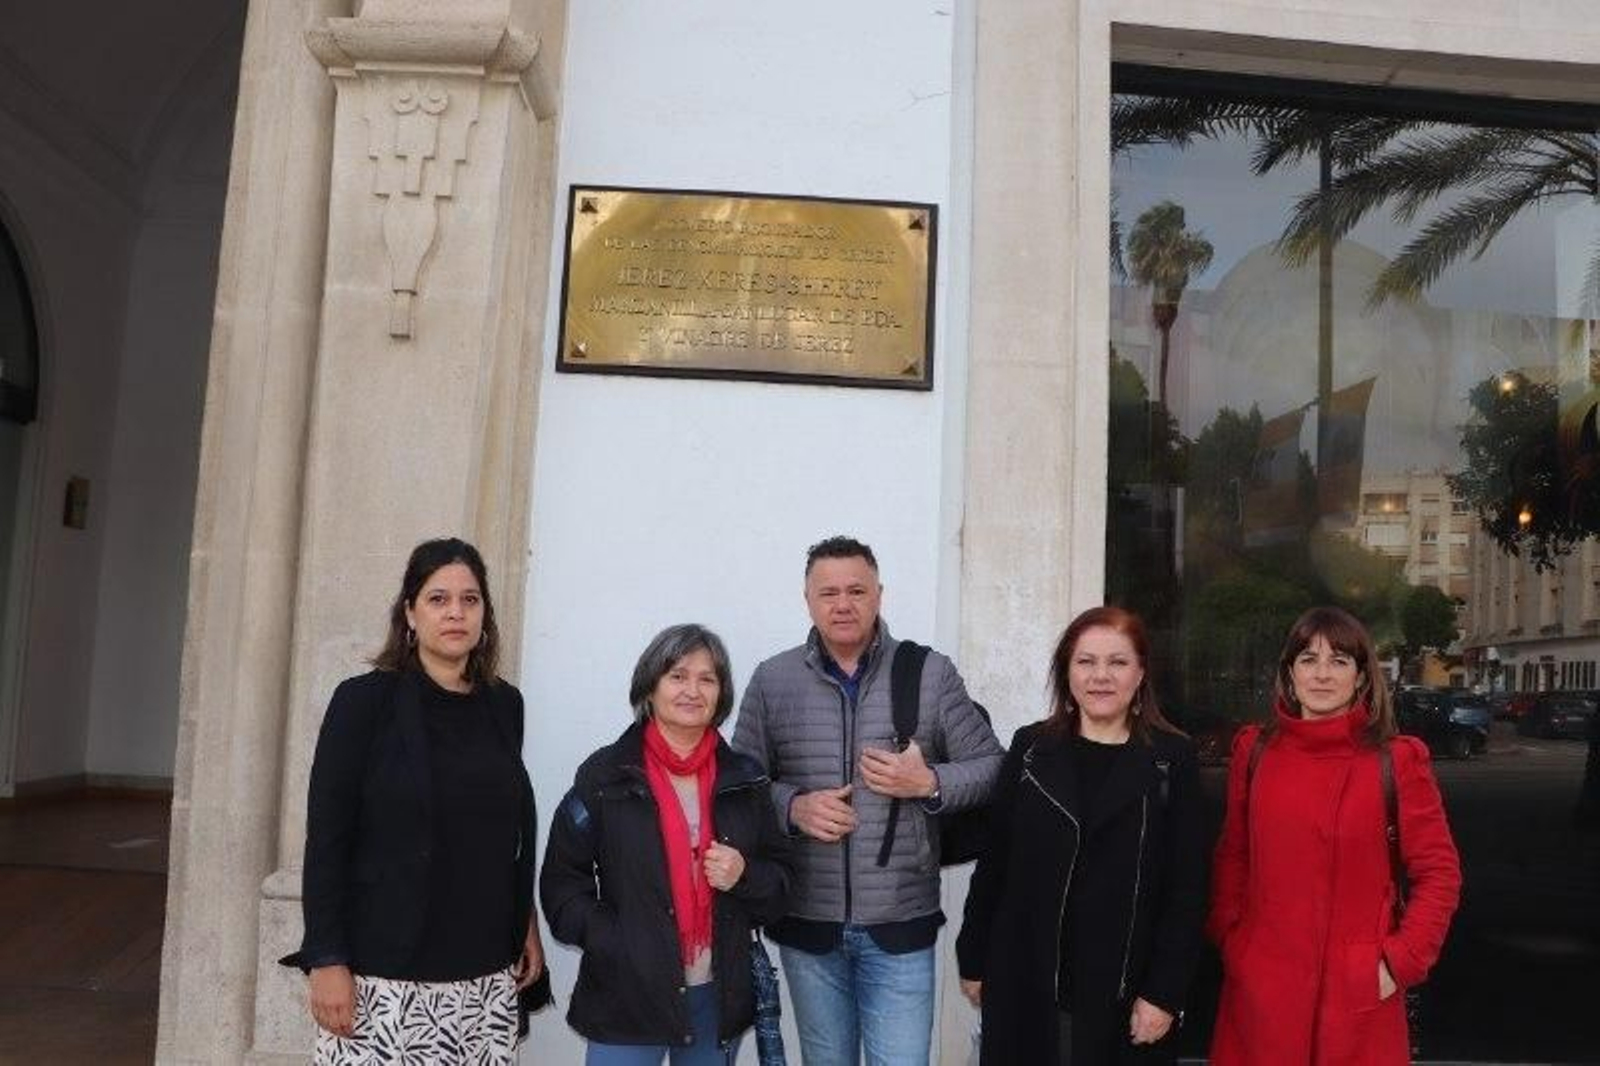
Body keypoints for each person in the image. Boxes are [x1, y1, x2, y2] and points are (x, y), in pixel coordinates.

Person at [731, 535, 1004, 1066]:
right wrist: (793, 807)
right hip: (808, 923)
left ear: (880, 595)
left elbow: (994, 768)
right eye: (828, 591)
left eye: (857, 590)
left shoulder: (929, 673)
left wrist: (927, 784)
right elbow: (740, 787)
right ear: (807, 599)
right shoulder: (773, 679)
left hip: (901, 923)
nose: (843, 603)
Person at [281, 537, 547, 1064]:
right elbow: (329, 839)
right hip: (384, 973)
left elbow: (502, 831)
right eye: (438, 598)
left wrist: (526, 922)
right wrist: (327, 958)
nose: (455, 613)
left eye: (470, 600)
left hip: (483, 972)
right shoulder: (364, 703)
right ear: (409, 612)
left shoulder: (504, 705)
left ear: (485, 614)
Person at [1208, 606, 1462, 1065]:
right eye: (1308, 659)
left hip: (1358, 993)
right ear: (1289, 673)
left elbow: (1439, 873)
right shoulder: (1254, 751)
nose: (1322, 674)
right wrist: (1233, 940)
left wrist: (1398, 962)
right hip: (1263, 989)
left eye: (1339, 661)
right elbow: (1234, 853)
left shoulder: (1397, 761)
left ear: (1362, 677)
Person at [955, 606, 1206, 1064]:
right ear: (1067, 672)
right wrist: (973, 957)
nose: (1101, 676)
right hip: (1025, 979)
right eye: (1086, 662)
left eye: (1118, 662)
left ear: (1141, 673)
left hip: (1124, 993)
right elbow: (996, 863)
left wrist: (1164, 993)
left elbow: (1186, 891)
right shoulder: (1030, 749)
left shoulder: (1172, 760)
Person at [540, 623, 792, 1064]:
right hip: (625, 997)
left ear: (721, 694)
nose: (692, 690)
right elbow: (562, 883)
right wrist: (615, 941)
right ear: (649, 687)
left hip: (715, 998)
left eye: (707, 678)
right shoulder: (605, 776)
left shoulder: (745, 779)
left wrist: (744, 876)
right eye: (677, 676)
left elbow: (782, 884)